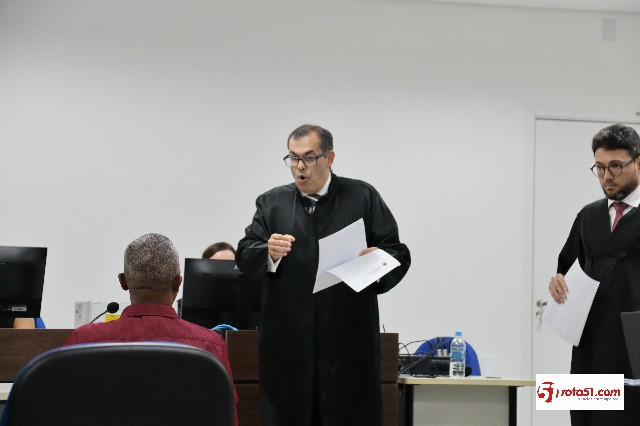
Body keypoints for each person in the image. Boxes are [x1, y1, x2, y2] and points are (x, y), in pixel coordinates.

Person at [236, 124, 411, 426]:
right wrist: (268, 252)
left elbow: (397, 253)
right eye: (293, 158)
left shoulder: (362, 197)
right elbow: (245, 252)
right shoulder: (272, 203)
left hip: (348, 342)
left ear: (329, 158)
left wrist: (378, 260)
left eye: (308, 157)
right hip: (289, 344)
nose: (299, 167)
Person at [64, 233, 238, 424]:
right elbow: (226, 418)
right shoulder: (211, 346)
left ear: (123, 281)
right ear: (177, 283)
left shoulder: (82, 341)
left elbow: (62, 412)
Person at [548, 123, 640, 425]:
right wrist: (557, 282)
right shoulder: (588, 216)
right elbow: (566, 268)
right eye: (599, 168)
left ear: (638, 163)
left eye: (616, 166)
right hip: (589, 346)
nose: (607, 176)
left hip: (632, 348)